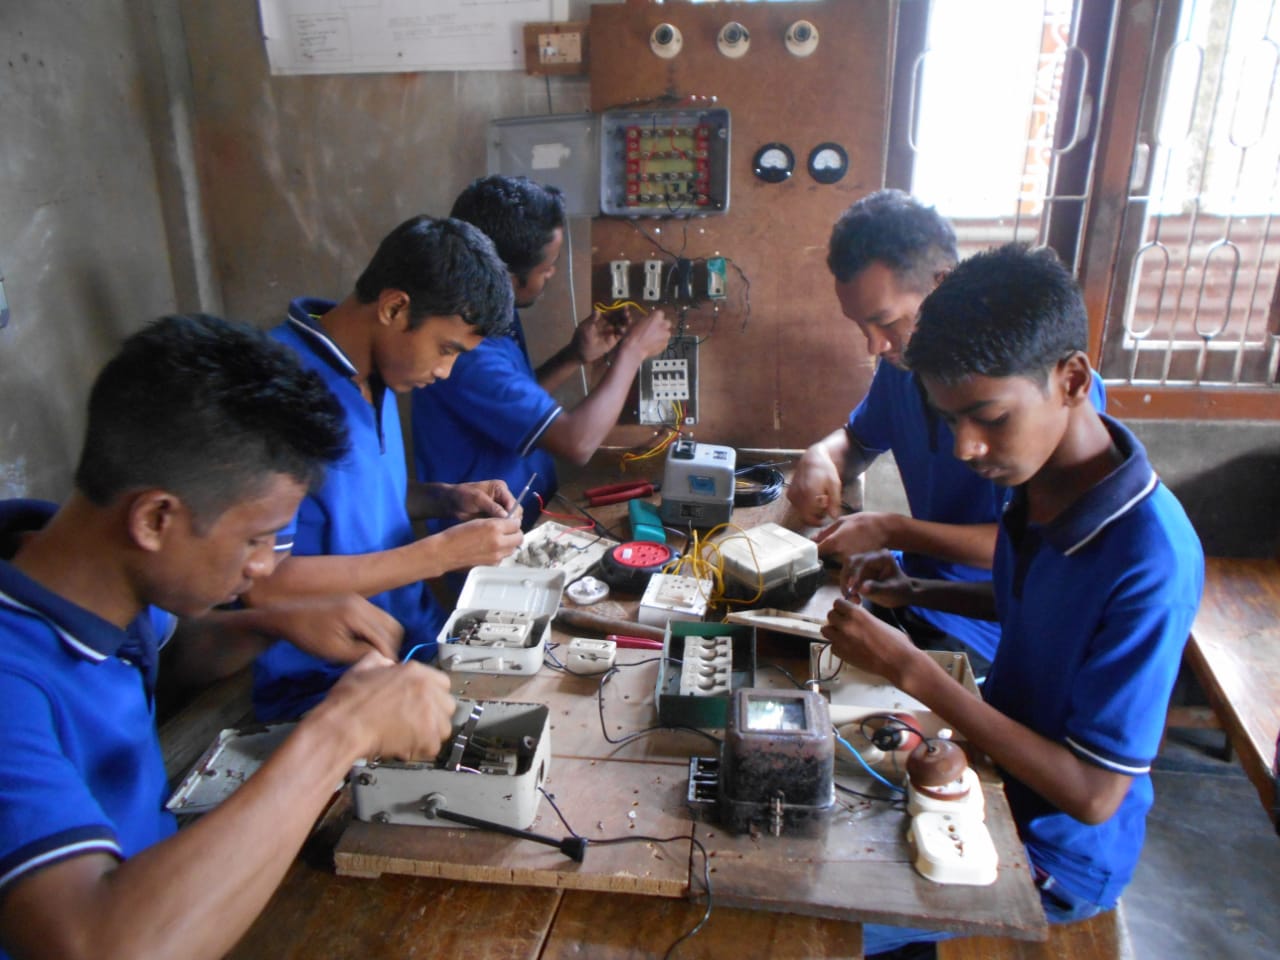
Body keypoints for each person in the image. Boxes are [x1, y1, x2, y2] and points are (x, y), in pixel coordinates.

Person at [0, 314, 457, 960]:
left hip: (162, 883)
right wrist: (339, 734)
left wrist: (270, 623)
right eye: (257, 538)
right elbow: (95, 944)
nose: (267, 567)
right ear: (156, 518)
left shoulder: (89, 576)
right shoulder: (10, 684)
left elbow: (167, 655)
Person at [820, 244, 1204, 956]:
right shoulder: (1044, 484)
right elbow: (1039, 607)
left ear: (1072, 380)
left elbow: (1093, 794)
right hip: (989, 777)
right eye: (948, 420)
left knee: (796, 920)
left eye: (988, 416)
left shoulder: (1149, 558)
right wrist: (918, 588)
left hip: (1055, 855)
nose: (966, 446)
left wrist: (915, 672)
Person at [788, 190, 1104, 676]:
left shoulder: (1045, 396)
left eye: (886, 321)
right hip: (914, 583)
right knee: (788, 644)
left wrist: (894, 528)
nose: (874, 344)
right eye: (860, 326)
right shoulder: (901, 369)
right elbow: (858, 440)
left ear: (942, 285)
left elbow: (1037, 551)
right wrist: (819, 457)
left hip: (985, 622)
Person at [249, 215, 525, 722]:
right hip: (330, 685)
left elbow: (349, 501)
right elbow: (261, 582)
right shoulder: (277, 391)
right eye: (446, 350)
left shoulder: (377, 371)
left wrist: (445, 499)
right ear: (395, 307)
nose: (443, 372)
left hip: (414, 645)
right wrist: (438, 554)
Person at [411, 175, 673, 529]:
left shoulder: (493, 315)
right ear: (502, 274)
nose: (551, 274)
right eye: (545, 266)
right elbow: (577, 443)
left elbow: (508, 403)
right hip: (484, 537)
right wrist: (632, 353)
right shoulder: (466, 350)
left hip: (529, 515)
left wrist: (573, 356)